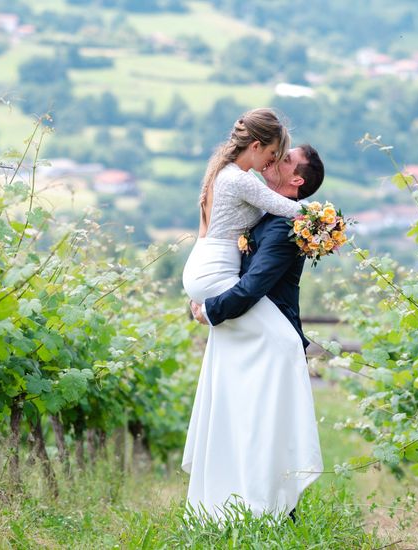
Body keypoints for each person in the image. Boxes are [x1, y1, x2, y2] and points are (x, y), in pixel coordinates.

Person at [181, 131, 326, 523]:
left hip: (269, 336)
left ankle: (272, 511)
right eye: (275, 153)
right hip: (250, 334)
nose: (273, 161)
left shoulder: (283, 228)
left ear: (296, 180)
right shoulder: (269, 214)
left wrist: (209, 310)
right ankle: (233, 507)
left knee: (265, 426)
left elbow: (251, 288)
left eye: (284, 160)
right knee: (244, 422)